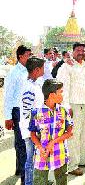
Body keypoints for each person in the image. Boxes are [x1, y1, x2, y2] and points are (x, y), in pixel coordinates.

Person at [57, 42, 85, 176]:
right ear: (73, 52)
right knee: (73, 135)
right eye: (78, 50)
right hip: (74, 105)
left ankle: (82, 159)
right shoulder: (67, 66)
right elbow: (63, 88)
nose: (81, 52)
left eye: (83, 50)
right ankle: (72, 165)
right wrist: (66, 106)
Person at [29, 79, 73, 185]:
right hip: (42, 153)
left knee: (62, 180)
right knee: (39, 181)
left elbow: (69, 132)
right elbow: (32, 134)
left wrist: (52, 142)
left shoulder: (63, 111)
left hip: (60, 152)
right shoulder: (36, 112)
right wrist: (40, 147)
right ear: (52, 94)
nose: (62, 95)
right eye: (60, 92)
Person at [3, 45, 31, 182]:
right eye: (28, 55)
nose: (30, 58)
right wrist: (8, 117)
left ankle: (20, 169)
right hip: (17, 111)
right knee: (22, 144)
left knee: (21, 142)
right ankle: (25, 179)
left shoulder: (29, 71)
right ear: (20, 56)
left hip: (26, 110)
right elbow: (8, 96)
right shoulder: (14, 73)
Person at [20, 57, 45, 185]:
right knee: (31, 159)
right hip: (31, 130)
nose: (44, 71)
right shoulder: (29, 87)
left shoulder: (35, 84)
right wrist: (35, 129)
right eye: (42, 68)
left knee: (35, 158)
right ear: (36, 70)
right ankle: (29, 182)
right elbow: (27, 112)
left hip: (34, 128)